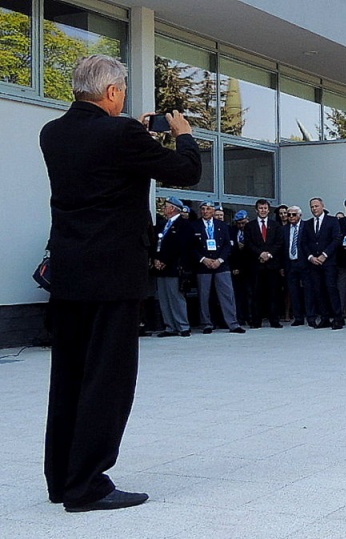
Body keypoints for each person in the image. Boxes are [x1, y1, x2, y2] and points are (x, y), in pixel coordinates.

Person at [40, 54, 201, 512]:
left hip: (70, 273)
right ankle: (87, 484)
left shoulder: (53, 133)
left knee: (69, 378)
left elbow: (107, 160)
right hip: (114, 274)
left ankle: (62, 479)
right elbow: (185, 171)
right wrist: (184, 135)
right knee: (107, 381)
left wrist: (139, 131)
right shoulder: (121, 133)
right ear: (112, 93)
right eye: (123, 92)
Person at [192, 200, 244, 334]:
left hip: (221, 264)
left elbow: (228, 245)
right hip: (204, 264)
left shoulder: (222, 225)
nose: (205, 211)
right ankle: (207, 323)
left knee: (227, 294)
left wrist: (220, 260)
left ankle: (233, 323)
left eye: (208, 209)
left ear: (213, 211)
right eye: (203, 209)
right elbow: (191, 247)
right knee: (204, 296)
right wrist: (203, 259)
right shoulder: (195, 225)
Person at [152, 196, 193, 337]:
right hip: (160, 267)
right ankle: (169, 326)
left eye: (166, 206)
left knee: (175, 296)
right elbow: (155, 243)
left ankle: (182, 326)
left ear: (172, 208)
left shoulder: (184, 224)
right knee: (163, 297)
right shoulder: (163, 224)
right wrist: (156, 259)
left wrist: (164, 260)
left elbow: (179, 245)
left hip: (174, 266)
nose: (164, 208)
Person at [301, 197, 344, 329]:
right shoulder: (307, 224)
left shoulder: (332, 221)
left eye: (316, 206)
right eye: (312, 207)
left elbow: (337, 239)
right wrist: (310, 257)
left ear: (322, 206)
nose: (314, 209)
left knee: (331, 289)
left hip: (328, 262)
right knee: (318, 290)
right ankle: (324, 317)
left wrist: (325, 255)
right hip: (314, 263)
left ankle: (337, 318)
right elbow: (304, 243)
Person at [244, 199, 284, 328]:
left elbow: (279, 243)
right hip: (256, 264)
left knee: (273, 293)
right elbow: (248, 243)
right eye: (260, 208)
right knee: (256, 294)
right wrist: (260, 254)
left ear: (269, 210)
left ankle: (274, 320)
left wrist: (269, 254)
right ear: (256, 210)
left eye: (265, 208)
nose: (263, 210)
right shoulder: (250, 226)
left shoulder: (276, 225)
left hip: (272, 265)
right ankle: (256, 321)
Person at [282, 206, 308, 326]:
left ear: (300, 215)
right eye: (289, 215)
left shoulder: (306, 227)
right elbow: (282, 248)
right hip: (290, 263)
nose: (291, 217)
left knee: (308, 291)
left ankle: (311, 316)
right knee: (293, 292)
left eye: (294, 214)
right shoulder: (284, 229)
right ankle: (298, 317)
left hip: (304, 263)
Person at [229, 210, 253, 326]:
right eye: (239, 223)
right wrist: (234, 267)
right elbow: (230, 251)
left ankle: (251, 317)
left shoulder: (252, 230)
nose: (241, 226)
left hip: (249, 267)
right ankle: (240, 317)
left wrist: (246, 246)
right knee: (238, 294)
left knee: (250, 294)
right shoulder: (232, 231)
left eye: (243, 223)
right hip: (237, 268)